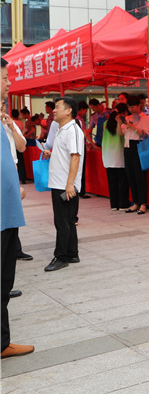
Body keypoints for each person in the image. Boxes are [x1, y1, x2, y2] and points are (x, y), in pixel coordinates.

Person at [1, 59, 34, 359]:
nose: (9, 83)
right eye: (4, 78)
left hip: (9, 209)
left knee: (5, 280)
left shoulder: (4, 119)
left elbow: (19, 150)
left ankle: (2, 342)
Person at [41, 97, 84, 272]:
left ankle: (61, 257)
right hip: (60, 182)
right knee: (68, 220)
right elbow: (67, 155)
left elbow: (75, 157)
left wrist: (70, 184)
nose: (54, 110)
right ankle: (72, 253)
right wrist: (51, 154)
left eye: (57, 107)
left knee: (62, 222)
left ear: (68, 111)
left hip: (65, 185)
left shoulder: (72, 130)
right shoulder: (62, 129)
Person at [122, 95, 149, 214]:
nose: (131, 109)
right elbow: (122, 133)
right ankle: (135, 202)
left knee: (140, 176)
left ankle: (143, 203)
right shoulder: (127, 117)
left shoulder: (145, 118)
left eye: (133, 107)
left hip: (138, 146)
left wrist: (132, 127)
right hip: (127, 146)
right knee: (131, 175)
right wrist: (120, 123)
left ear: (139, 106)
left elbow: (145, 135)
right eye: (129, 107)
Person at [102, 104, 131, 211]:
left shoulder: (106, 123)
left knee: (112, 182)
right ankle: (123, 204)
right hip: (119, 155)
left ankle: (114, 204)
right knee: (122, 181)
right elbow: (121, 135)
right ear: (124, 113)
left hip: (107, 156)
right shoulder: (122, 123)